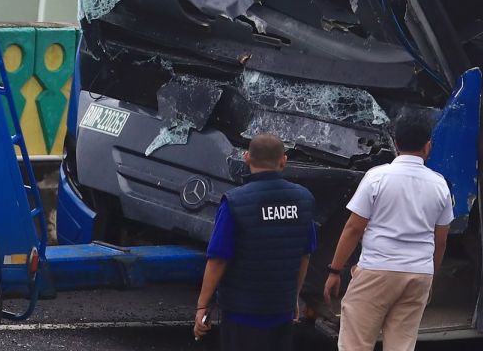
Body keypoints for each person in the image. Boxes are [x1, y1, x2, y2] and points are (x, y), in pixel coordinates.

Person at [324, 113, 453, 351]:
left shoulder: (377, 178)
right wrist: (429, 275)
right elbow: (441, 240)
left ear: (395, 143)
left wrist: (334, 270)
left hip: (377, 269)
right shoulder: (440, 184)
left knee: (355, 344)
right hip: (418, 274)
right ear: (428, 146)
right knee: (401, 346)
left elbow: (353, 228)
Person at [194, 133, 316, 350]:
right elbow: (304, 255)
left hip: (242, 314)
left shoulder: (234, 202)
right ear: (284, 160)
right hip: (280, 311)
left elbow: (218, 259)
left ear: (247, 158)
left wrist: (202, 305)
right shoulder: (303, 200)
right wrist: (292, 297)